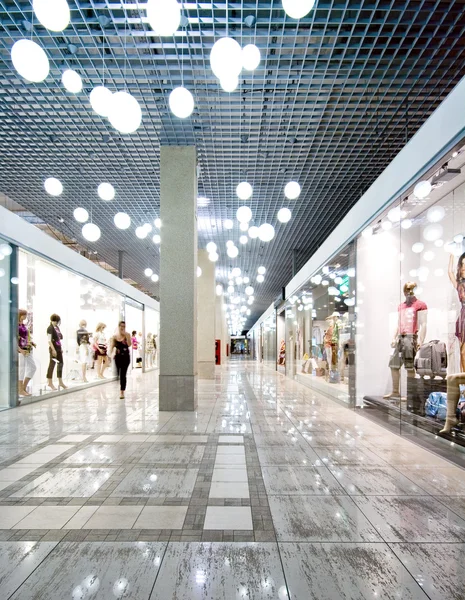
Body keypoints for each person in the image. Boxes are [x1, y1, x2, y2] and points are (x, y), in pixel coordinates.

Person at [449, 252, 465, 371]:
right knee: (462, 353)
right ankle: (462, 387)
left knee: (464, 352)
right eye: (462, 264)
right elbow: (450, 273)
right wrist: (451, 256)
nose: (464, 267)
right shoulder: (459, 284)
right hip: (462, 318)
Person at [110, 321, 131, 399]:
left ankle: (122, 391)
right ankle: (121, 388)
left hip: (125, 357)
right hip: (117, 357)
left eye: (124, 326)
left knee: (123, 374)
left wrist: (126, 336)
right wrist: (110, 355)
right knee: (118, 373)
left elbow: (129, 344)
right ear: (118, 326)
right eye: (121, 326)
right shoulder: (114, 336)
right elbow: (112, 346)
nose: (122, 327)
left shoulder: (127, 335)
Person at [18, 308, 36, 397]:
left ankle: (24, 387)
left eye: (25, 315)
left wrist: (30, 342)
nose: (25, 316)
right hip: (21, 350)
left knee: (33, 367)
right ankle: (20, 389)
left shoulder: (23, 325)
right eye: (23, 315)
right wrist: (20, 350)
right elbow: (14, 339)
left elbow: (25, 336)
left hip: (27, 348)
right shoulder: (16, 325)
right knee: (21, 369)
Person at [47, 313, 66, 390]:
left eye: (57, 321)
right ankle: (50, 382)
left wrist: (60, 347)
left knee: (61, 363)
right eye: (55, 321)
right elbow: (49, 340)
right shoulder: (50, 328)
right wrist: (53, 350)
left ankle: (60, 381)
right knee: (52, 364)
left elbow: (58, 339)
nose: (56, 322)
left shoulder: (57, 327)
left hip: (58, 348)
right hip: (53, 349)